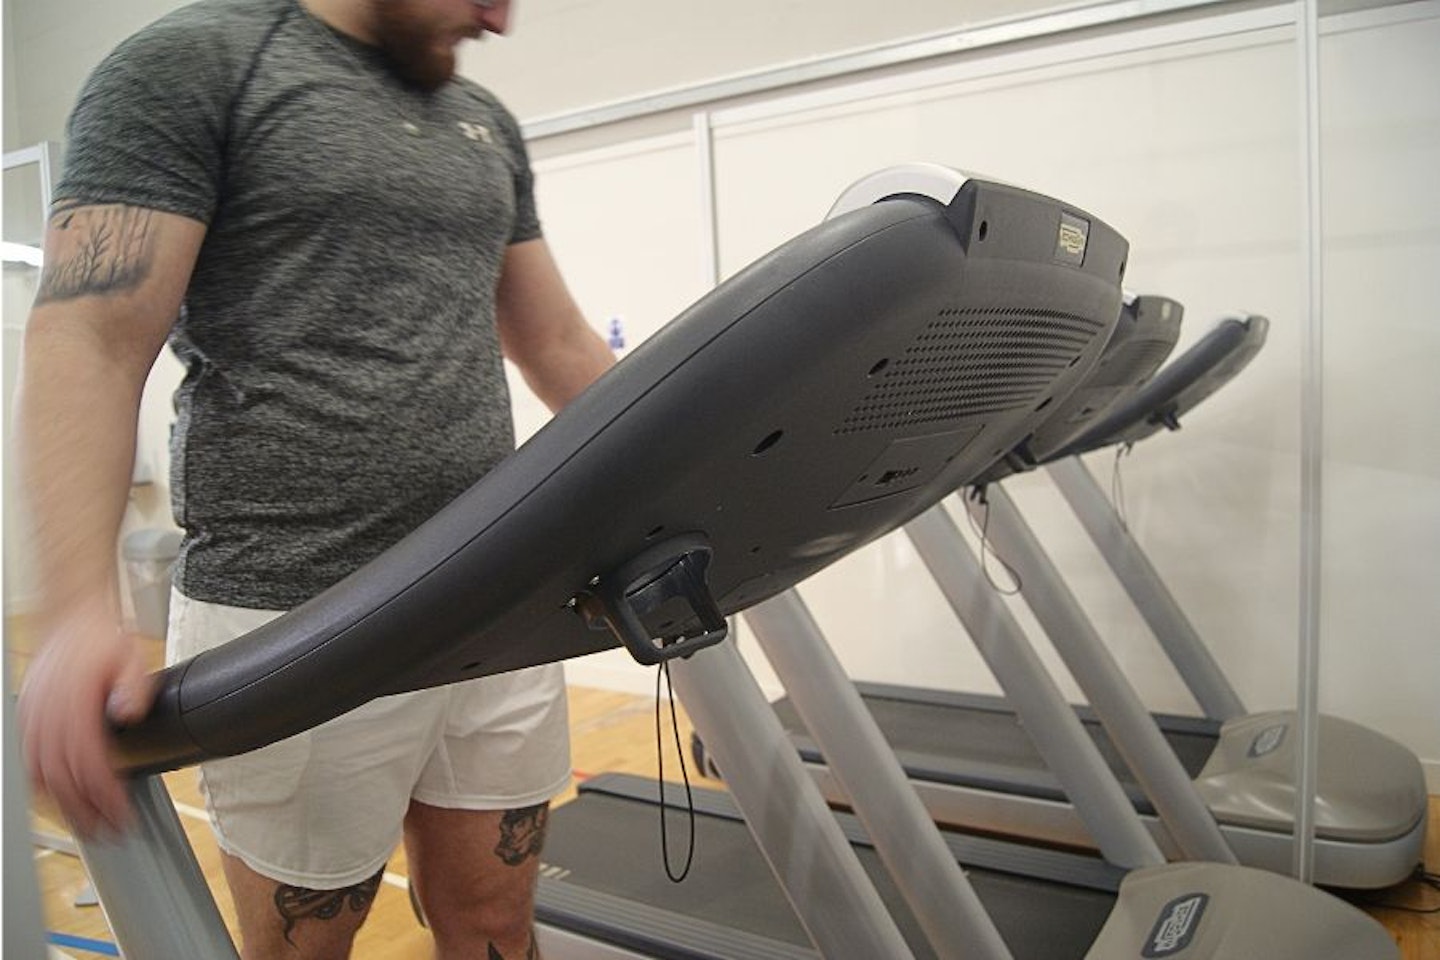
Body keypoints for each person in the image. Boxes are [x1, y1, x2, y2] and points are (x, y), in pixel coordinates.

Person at [15, 0, 615, 957]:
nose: (501, 19)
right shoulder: (195, 65)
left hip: (495, 601)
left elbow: (556, 342)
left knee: (497, 922)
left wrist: (699, 490)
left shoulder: (484, 123)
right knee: (306, 948)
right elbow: (90, 331)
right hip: (295, 619)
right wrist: (82, 611)